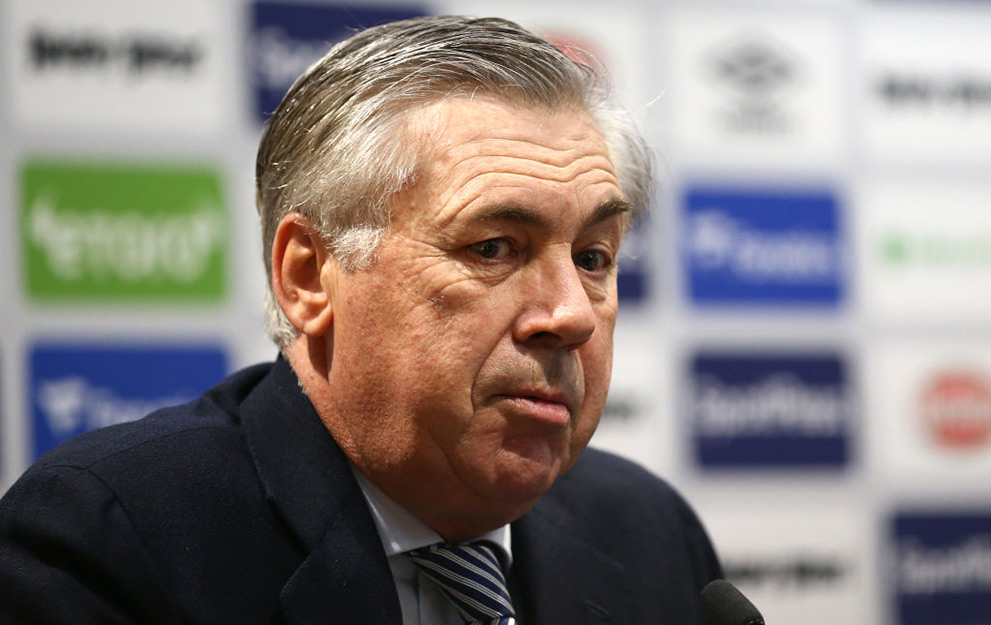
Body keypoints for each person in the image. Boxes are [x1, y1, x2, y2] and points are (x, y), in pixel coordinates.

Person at [0, 15, 722, 624]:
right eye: (493, 247)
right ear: (308, 276)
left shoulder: (650, 533)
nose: (570, 314)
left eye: (593, 258)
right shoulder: (110, 537)